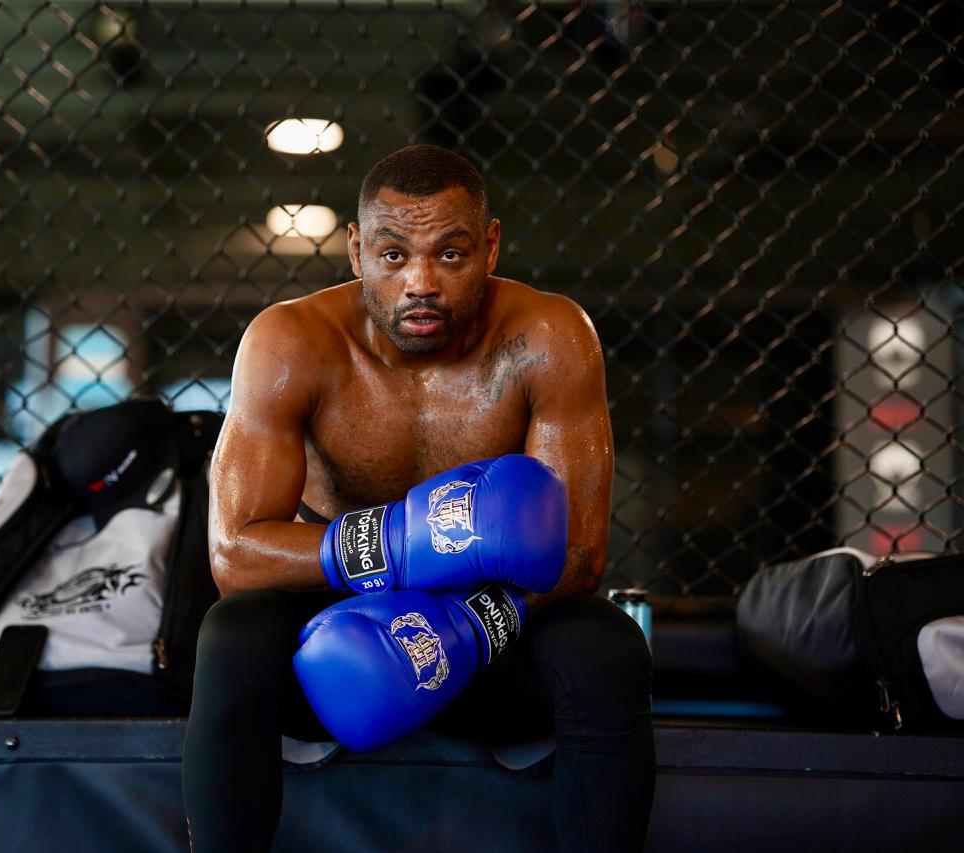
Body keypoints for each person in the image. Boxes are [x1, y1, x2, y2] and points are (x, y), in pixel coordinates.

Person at [182, 144, 654, 852]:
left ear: (490, 247)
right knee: (233, 635)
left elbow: (580, 553)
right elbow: (235, 555)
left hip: (492, 625)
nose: (421, 283)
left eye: (451, 255)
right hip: (335, 638)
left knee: (608, 648)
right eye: (394, 255)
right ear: (355, 250)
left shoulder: (550, 337)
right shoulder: (291, 343)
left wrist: (468, 629)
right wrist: (400, 540)